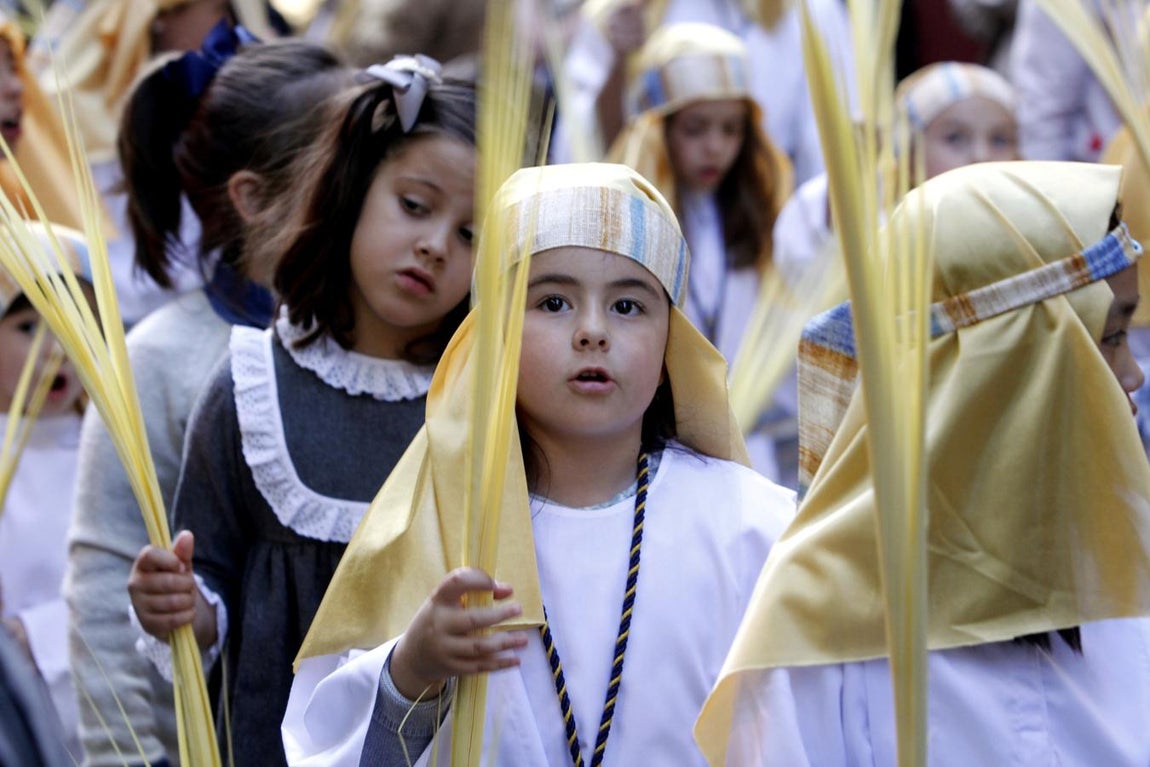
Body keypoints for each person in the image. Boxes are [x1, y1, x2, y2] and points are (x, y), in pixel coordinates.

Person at [280, 162, 795, 766]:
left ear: (669, 346)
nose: (593, 331)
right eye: (553, 301)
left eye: (629, 306)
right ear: (493, 336)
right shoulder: (436, 524)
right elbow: (329, 749)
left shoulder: (751, 524)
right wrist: (412, 671)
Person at [695, 161, 1150, 765]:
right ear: (1010, 366)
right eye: (1110, 337)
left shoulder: (1126, 569)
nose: (1134, 375)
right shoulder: (822, 629)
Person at [126, 58, 477, 767]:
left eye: (471, 233)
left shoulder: (482, 407)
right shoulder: (251, 389)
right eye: (415, 204)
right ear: (350, 192)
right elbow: (211, 580)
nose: (436, 244)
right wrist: (180, 609)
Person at [66, 31, 348, 767]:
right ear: (255, 198)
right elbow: (105, 592)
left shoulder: (397, 352)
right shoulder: (162, 359)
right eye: (345, 168)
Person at [607, 22, 791, 481]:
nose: (715, 147)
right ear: (658, 127)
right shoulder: (629, 221)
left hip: (751, 443)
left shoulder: (757, 216)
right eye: (696, 128)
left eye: (731, 130)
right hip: (660, 449)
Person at [0, 223, 91, 761]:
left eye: (71, 321)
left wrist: (37, 633)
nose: (54, 348)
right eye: (28, 326)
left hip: (104, 708)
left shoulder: (111, 453)